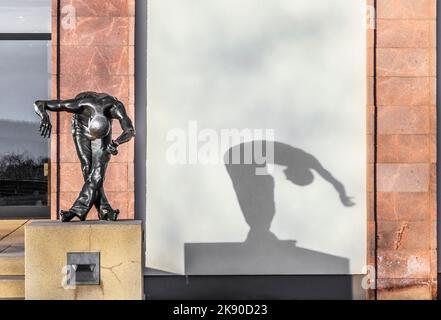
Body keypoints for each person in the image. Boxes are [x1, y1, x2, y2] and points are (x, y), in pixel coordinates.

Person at [224, 141, 355, 242]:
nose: (288, 178)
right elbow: (330, 178)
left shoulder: (301, 159)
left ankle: (258, 232)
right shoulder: (307, 159)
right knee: (264, 188)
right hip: (244, 156)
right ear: (300, 173)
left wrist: (342, 194)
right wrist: (342, 195)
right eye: (293, 179)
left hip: (234, 157)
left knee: (252, 194)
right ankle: (260, 231)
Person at [34, 92, 135, 222]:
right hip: (80, 127)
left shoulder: (116, 107)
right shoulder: (79, 105)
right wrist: (44, 115)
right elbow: (39, 104)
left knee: (98, 172)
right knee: (87, 168)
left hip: (103, 131)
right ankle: (105, 211)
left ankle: (76, 210)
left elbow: (130, 131)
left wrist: (116, 143)